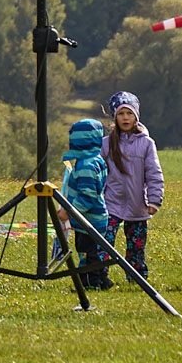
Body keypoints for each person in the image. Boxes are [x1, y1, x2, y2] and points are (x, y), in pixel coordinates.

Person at [100, 90, 164, 284]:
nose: (125, 118)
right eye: (121, 113)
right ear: (115, 117)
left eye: (129, 113)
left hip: (137, 205)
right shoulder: (106, 144)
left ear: (136, 116)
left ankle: (137, 279)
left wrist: (154, 200)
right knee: (103, 241)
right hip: (110, 204)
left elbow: (154, 173)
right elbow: (99, 173)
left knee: (136, 246)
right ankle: (99, 276)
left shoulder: (146, 144)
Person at [55, 118, 111, 290]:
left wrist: (69, 211)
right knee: (94, 252)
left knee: (87, 254)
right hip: (95, 217)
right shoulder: (95, 159)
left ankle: (90, 284)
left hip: (88, 219)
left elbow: (87, 196)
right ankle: (102, 280)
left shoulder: (86, 165)